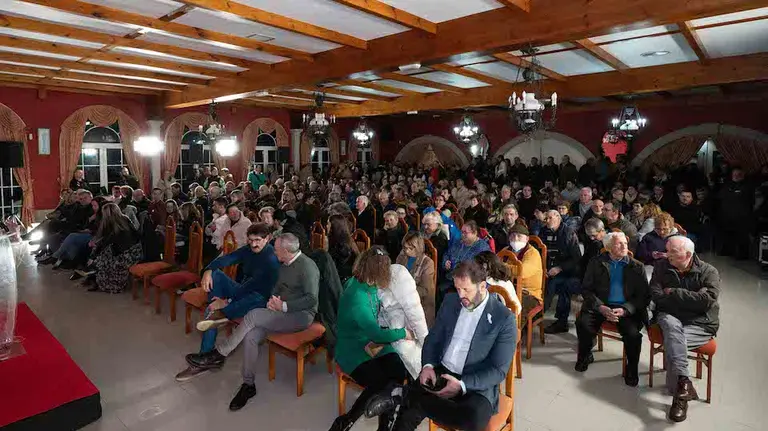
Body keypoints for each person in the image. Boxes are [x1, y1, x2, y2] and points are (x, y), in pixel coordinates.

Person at [365, 260, 517, 431]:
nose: (461, 295)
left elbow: (498, 370)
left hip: (475, 383)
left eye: (466, 289)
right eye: (457, 289)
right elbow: (433, 339)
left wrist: (462, 385)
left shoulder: (504, 319)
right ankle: (411, 398)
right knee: (407, 416)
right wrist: (428, 366)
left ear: (482, 286)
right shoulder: (451, 301)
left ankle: (405, 395)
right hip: (442, 372)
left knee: (473, 419)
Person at [186, 233, 319, 411]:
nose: (274, 253)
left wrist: (284, 305)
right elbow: (277, 287)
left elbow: (311, 300)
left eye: (277, 250)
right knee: (250, 336)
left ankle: (219, 354)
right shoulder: (284, 264)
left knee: (253, 315)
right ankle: (248, 385)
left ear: (286, 251)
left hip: (301, 316)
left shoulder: (308, 267)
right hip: (280, 311)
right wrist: (273, 301)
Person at [175, 223, 280, 380]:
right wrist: (208, 270)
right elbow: (227, 259)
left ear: (267, 238)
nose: (253, 244)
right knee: (216, 275)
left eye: (258, 240)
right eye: (250, 240)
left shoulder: (270, 259)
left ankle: (218, 321)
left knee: (248, 300)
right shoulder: (249, 249)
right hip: (243, 292)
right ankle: (219, 314)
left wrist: (227, 301)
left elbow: (254, 286)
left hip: (260, 298)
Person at [329, 247, 412, 431]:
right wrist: (403, 333)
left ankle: (384, 426)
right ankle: (347, 421)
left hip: (371, 342)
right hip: (353, 349)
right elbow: (377, 334)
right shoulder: (357, 296)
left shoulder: (368, 284)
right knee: (380, 382)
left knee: (398, 370)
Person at [650, 236, 720, 423]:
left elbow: (707, 302)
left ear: (688, 255)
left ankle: (679, 394)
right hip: (670, 316)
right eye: (667, 250)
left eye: (672, 252)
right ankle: (684, 385)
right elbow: (656, 295)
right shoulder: (661, 266)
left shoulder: (708, 271)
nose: (667, 255)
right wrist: (692, 298)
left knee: (674, 342)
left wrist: (674, 292)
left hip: (700, 322)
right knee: (672, 330)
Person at [575, 232, 649, 386]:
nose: (624, 246)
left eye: (625, 243)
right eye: (619, 244)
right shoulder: (596, 262)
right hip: (600, 305)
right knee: (582, 324)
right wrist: (600, 307)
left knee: (633, 336)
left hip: (625, 309)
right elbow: (586, 289)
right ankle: (585, 355)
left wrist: (625, 310)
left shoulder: (637, 266)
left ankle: (631, 368)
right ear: (608, 247)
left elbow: (643, 297)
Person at [540, 210, 582, 334]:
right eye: (546, 218)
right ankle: (533, 315)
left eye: (550, 218)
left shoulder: (568, 233)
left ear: (558, 218)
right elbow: (539, 251)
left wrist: (559, 268)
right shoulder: (543, 232)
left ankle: (560, 322)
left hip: (566, 271)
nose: (547, 221)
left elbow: (576, 258)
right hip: (547, 269)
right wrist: (543, 268)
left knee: (554, 284)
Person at [85, 203, 142, 293]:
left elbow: (105, 242)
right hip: (135, 252)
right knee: (102, 253)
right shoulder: (125, 219)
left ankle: (96, 278)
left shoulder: (116, 228)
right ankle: (93, 275)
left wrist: (93, 257)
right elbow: (136, 234)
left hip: (126, 256)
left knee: (101, 258)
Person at [440, 221, 491, 304]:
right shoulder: (458, 242)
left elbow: (482, 269)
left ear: (474, 233)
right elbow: (447, 253)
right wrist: (446, 262)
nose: (462, 235)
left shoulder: (482, 248)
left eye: (465, 232)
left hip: (468, 281)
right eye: (462, 232)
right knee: (440, 288)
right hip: (451, 277)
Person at [395, 232, 436, 327]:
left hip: (420, 304)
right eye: (405, 248)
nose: (407, 251)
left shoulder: (427, 263)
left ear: (418, 248)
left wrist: (405, 291)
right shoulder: (402, 256)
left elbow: (425, 290)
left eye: (410, 248)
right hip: (402, 300)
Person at [506, 224, 543, 322]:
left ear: (527, 239)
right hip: (509, 289)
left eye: (519, 236)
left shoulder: (533, 253)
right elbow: (495, 265)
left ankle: (515, 330)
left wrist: (503, 267)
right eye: (512, 236)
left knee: (515, 307)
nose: (515, 239)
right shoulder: (506, 251)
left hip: (529, 293)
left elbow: (523, 272)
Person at [327, 214, 359, 284]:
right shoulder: (337, 239)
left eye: (328, 224)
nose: (327, 226)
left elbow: (338, 266)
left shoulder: (343, 244)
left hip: (345, 279)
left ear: (335, 226)